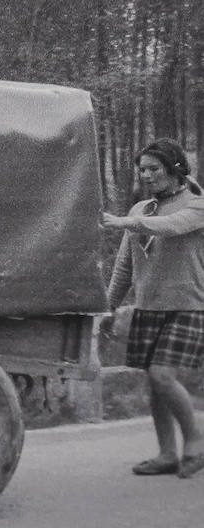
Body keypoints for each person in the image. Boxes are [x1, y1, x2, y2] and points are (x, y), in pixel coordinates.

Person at [101, 138, 204, 480]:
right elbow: (125, 267)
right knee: (154, 383)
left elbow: (171, 227)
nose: (146, 175)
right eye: (141, 170)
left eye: (153, 169)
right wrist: (107, 307)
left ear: (175, 168)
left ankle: (195, 443)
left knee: (163, 376)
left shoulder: (197, 206)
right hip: (148, 306)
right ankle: (167, 454)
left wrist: (125, 223)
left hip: (188, 307)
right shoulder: (139, 211)